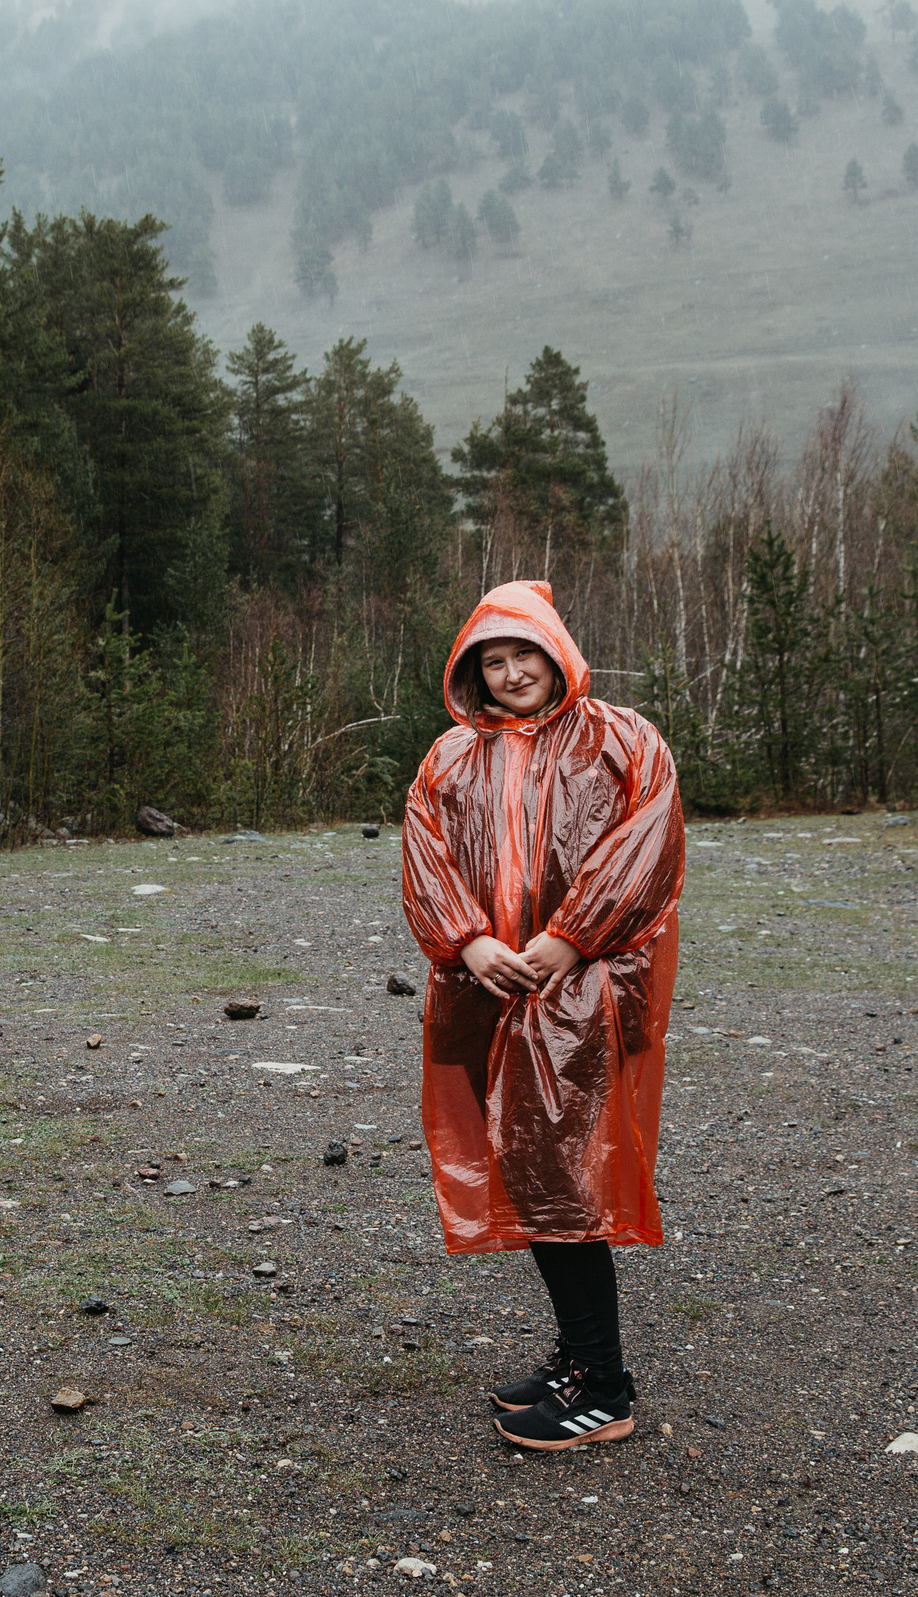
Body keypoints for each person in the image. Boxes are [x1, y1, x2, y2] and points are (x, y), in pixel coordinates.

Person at [400, 580, 685, 1451]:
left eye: (526, 651)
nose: (513, 670)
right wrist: (469, 941)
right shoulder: (452, 757)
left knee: (561, 1175)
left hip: (588, 992)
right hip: (488, 991)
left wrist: (569, 938)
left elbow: (648, 844)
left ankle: (604, 1384)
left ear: (557, 652)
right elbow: (426, 853)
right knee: (531, 1170)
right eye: (494, 659)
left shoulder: (622, 738)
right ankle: (576, 1356)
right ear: (472, 672)